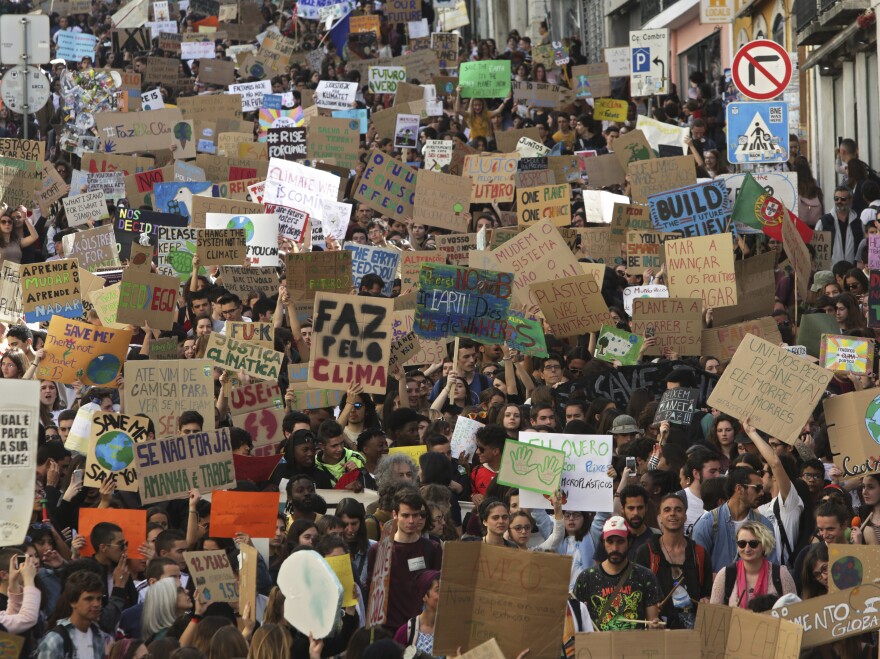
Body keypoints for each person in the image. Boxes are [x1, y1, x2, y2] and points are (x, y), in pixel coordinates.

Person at [366, 491, 442, 633]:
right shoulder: (379, 550)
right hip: (388, 629)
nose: (411, 521)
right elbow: (373, 594)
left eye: (415, 515)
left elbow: (438, 591)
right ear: (395, 515)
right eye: (406, 515)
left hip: (421, 629)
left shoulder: (432, 548)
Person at [635, 493, 712, 629]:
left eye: (678, 509)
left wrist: (706, 601)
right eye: (667, 510)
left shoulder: (699, 553)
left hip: (693, 634)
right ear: (660, 518)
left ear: (685, 517)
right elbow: (637, 596)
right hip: (659, 633)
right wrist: (650, 609)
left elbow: (707, 592)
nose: (673, 514)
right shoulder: (646, 553)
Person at [573, 516, 662, 631]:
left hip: (634, 646)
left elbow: (652, 622)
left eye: (620, 542)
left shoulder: (645, 576)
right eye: (610, 541)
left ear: (629, 542)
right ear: (603, 543)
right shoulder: (586, 578)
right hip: (598, 646)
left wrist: (655, 625)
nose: (615, 548)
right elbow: (576, 624)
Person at [692, 466, 779, 570]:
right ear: (739, 489)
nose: (762, 493)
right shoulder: (707, 524)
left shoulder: (764, 524)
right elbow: (698, 570)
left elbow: (772, 568)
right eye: (757, 488)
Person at [709, 521, 795, 607]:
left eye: (753, 544)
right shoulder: (724, 575)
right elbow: (714, 616)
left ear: (764, 545)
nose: (747, 549)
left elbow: (795, 612)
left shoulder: (781, 575)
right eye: (742, 544)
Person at [36, 570, 112, 658]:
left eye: (99, 598)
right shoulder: (56, 639)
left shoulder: (99, 636)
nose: (96, 604)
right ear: (73, 602)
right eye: (89, 599)